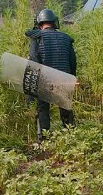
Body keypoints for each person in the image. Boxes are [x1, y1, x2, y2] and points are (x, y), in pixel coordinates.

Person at [26, 9, 77, 143]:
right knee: (66, 107)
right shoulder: (66, 38)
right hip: (64, 78)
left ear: (39, 24)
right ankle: (70, 137)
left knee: (43, 109)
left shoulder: (37, 38)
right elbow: (73, 62)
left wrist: (30, 93)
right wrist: (72, 79)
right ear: (54, 22)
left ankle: (44, 140)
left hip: (46, 79)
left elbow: (34, 62)